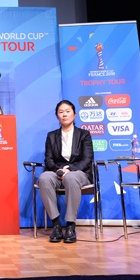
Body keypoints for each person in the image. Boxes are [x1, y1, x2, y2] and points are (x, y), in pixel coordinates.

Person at [38, 100, 94, 243]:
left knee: (71, 178)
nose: (64, 115)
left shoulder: (84, 134)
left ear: (74, 114)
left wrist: (70, 170)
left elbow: (87, 159)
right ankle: (56, 224)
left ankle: (70, 226)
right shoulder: (51, 136)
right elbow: (48, 159)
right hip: (57, 171)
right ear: (57, 116)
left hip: (79, 172)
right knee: (44, 178)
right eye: (61, 112)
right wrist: (58, 170)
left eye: (67, 111)